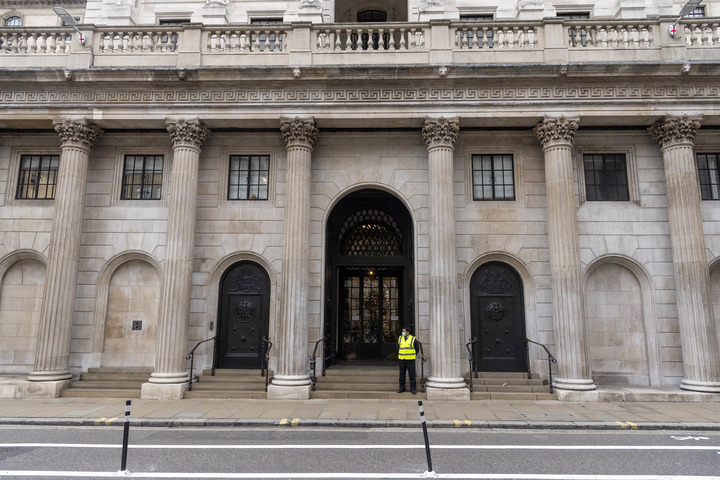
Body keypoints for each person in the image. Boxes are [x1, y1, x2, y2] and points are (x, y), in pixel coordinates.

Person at [397, 328, 418, 394]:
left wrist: (412, 355)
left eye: (404, 331)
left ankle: (413, 389)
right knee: (402, 374)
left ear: (408, 332)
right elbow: (397, 347)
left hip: (410, 359)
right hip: (402, 359)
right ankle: (401, 388)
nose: (403, 333)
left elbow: (417, 349)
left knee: (412, 374)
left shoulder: (413, 339)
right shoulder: (400, 338)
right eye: (402, 331)